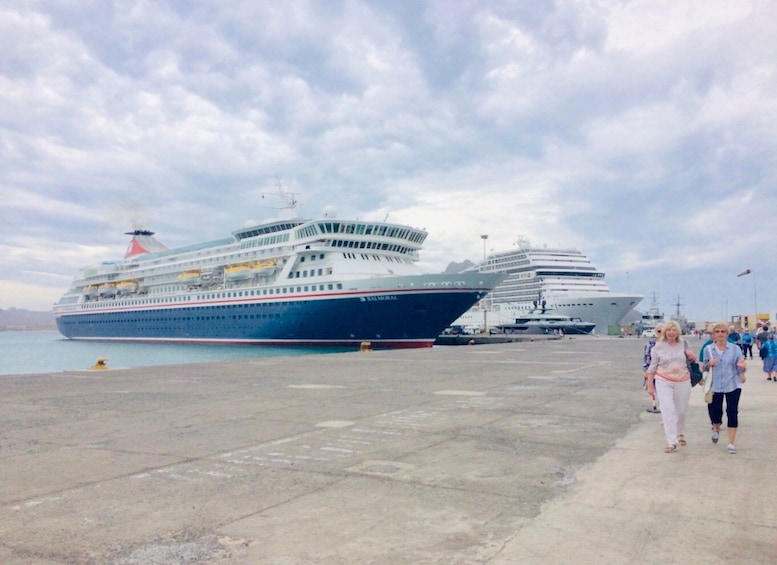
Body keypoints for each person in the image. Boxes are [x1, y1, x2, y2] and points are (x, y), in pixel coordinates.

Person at [646, 320, 696, 453]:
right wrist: (650, 385)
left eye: (674, 330)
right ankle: (671, 441)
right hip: (664, 379)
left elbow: (692, 358)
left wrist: (691, 356)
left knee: (681, 410)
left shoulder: (684, 343)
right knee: (667, 409)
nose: (671, 332)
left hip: (683, 379)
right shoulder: (658, 346)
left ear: (678, 332)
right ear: (664, 332)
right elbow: (652, 367)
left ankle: (679, 432)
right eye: (669, 330)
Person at [701, 322, 747, 454]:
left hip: (733, 384)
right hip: (715, 385)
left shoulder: (735, 349)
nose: (720, 334)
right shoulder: (708, 349)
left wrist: (742, 369)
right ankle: (716, 428)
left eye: (723, 331)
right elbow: (703, 367)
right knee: (715, 411)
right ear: (713, 334)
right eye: (717, 331)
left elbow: (741, 364)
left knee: (732, 412)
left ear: (727, 334)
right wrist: (709, 363)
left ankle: (731, 443)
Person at [643, 324, 663, 413]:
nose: (661, 333)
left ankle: (663, 406)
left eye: (663, 331)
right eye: (659, 331)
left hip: (664, 371)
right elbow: (646, 357)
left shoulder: (669, 343)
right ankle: (654, 404)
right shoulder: (650, 344)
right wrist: (646, 370)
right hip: (652, 370)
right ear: (655, 332)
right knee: (652, 388)